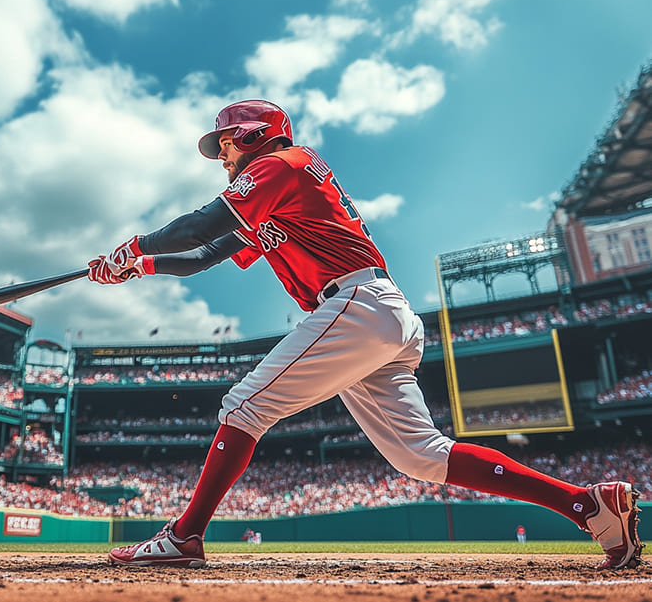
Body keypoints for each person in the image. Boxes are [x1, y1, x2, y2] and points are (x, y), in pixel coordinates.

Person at [88, 99, 643, 569]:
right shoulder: (269, 196)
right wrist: (138, 268)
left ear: (255, 135)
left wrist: (136, 245)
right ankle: (587, 504)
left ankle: (185, 536)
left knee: (242, 406)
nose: (223, 156)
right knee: (422, 457)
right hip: (377, 313)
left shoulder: (282, 164)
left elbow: (202, 224)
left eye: (227, 143)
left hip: (355, 303)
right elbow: (205, 253)